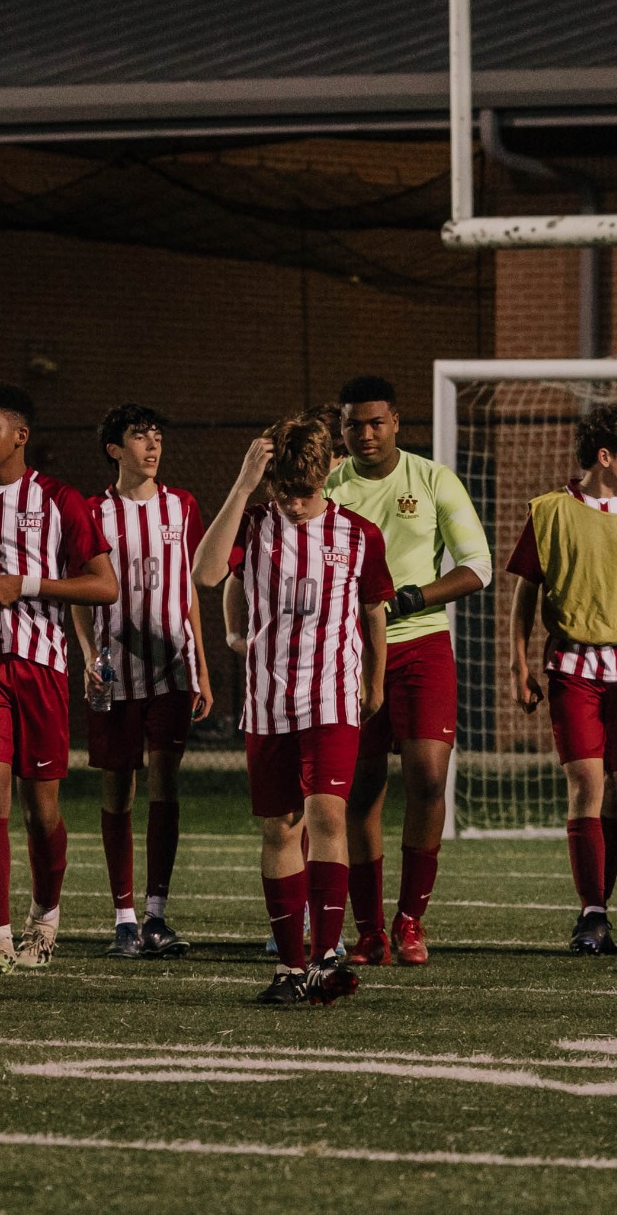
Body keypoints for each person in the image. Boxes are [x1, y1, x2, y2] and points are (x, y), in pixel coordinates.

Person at [195, 413, 392, 1007]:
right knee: (280, 828)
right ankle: (288, 967)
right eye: (287, 492)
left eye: (307, 494)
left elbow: (375, 611)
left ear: (328, 474)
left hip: (331, 695)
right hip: (269, 700)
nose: (298, 505)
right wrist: (243, 484)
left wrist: (374, 680)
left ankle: (326, 956)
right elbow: (208, 574)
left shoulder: (359, 534)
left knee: (328, 819)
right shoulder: (252, 522)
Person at [0, 384, 117, 974]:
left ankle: (45, 920)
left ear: (20, 436)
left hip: (42, 665)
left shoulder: (61, 501)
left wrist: (27, 584)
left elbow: (104, 585)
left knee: (43, 809)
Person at [324, 376, 491, 967]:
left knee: (426, 777)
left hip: (421, 646)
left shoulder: (433, 478)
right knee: (360, 788)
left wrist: (413, 599)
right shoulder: (328, 485)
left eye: (376, 422)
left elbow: (478, 566)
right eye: (352, 423)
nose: (364, 434)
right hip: (349, 653)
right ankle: (369, 930)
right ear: (340, 427)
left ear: (397, 422)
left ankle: (410, 920)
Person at [506, 403, 617, 955]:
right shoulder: (550, 510)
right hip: (573, 669)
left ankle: (602, 907)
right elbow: (527, 588)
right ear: (605, 457)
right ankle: (591, 914)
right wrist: (518, 662)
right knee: (586, 785)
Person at [72, 404, 210, 958]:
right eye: (139, 437)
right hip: (114, 674)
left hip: (172, 670)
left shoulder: (183, 506)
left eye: (157, 436)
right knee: (117, 788)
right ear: (114, 449)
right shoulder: (90, 512)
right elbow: (79, 588)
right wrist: (86, 654)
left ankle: (156, 914)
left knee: (165, 786)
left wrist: (199, 663)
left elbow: (192, 586)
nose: (152, 446)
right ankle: (123, 918)